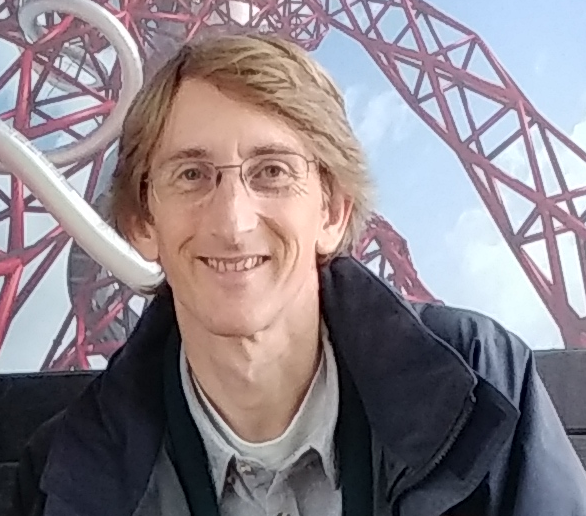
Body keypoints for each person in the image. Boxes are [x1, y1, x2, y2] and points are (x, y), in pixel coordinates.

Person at [9, 32, 586, 516]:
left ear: (332, 212)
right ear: (142, 223)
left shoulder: (482, 386)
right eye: (190, 174)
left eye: (273, 171)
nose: (233, 222)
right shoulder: (63, 477)